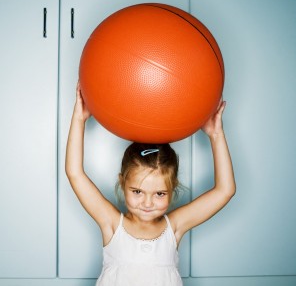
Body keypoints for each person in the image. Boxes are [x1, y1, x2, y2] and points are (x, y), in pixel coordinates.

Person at [65, 82, 236, 286]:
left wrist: (216, 135)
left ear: (173, 189)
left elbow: (225, 190)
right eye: (137, 191)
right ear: (122, 182)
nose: (147, 203)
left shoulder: (173, 228)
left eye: (160, 194)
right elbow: (74, 173)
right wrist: (78, 119)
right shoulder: (112, 225)